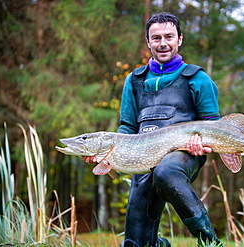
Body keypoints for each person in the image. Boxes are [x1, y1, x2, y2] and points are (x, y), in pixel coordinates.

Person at [85, 12, 222, 247]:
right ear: (148, 42)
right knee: (135, 244)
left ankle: (209, 241)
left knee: (165, 170)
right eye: (156, 38)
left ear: (179, 39)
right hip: (143, 156)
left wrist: (201, 145)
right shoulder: (134, 80)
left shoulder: (198, 79)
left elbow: (213, 126)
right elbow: (127, 127)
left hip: (182, 157)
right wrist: (106, 153)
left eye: (169, 36)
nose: (162, 43)